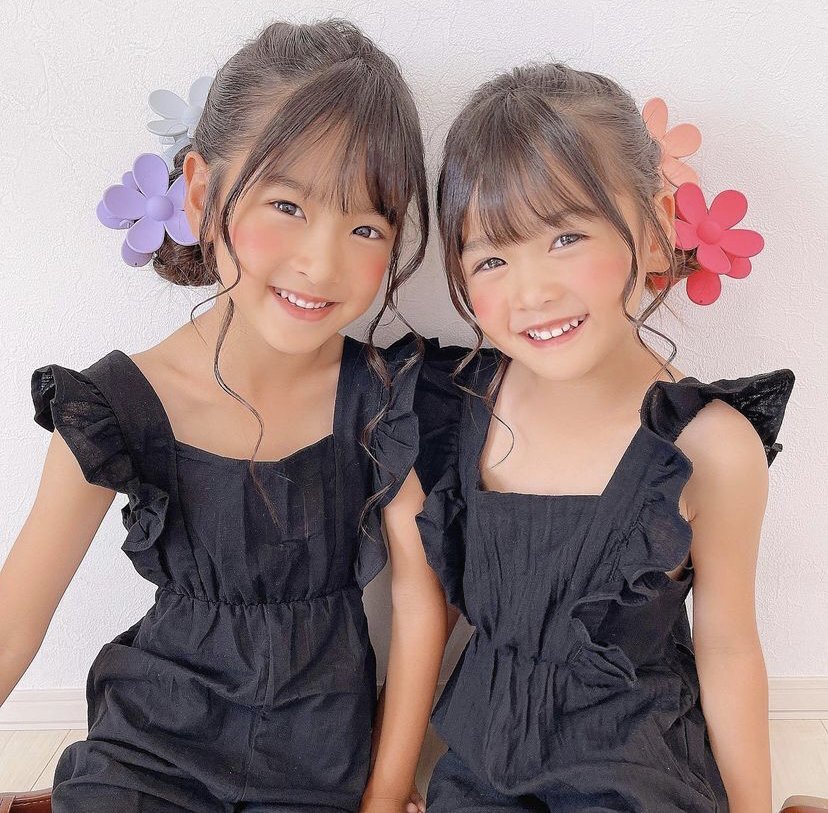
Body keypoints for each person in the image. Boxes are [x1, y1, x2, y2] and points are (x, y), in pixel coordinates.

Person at [0, 19, 446, 813]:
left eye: (366, 226)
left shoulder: (383, 397)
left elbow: (419, 599)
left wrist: (385, 790)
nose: (322, 261)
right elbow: (12, 626)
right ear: (204, 195)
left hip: (317, 761)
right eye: (287, 204)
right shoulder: (113, 405)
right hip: (150, 750)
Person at [414, 62, 795, 812]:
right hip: (484, 769)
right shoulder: (460, 409)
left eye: (565, 236)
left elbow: (728, 649)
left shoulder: (709, 448)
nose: (532, 290)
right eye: (492, 258)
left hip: (635, 770)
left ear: (654, 231)